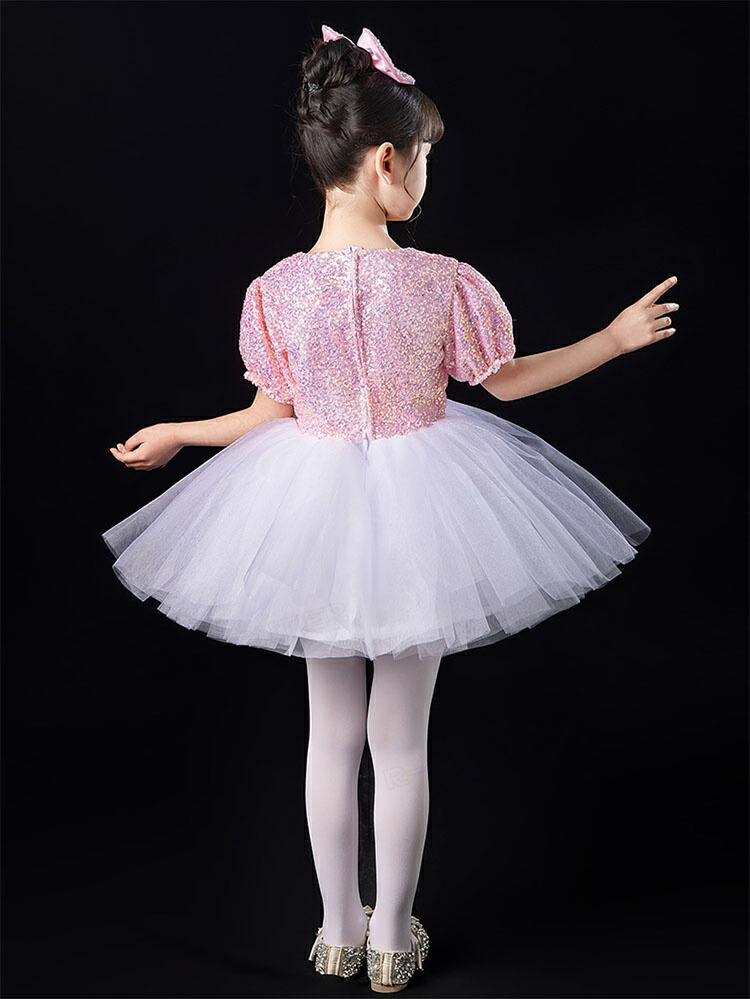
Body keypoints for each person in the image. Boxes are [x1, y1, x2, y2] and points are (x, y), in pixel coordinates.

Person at [102, 23, 678, 995]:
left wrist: (176, 433)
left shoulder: (276, 292)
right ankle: (392, 938)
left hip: (309, 514)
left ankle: (338, 929)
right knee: (400, 739)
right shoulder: (441, 282)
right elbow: (509, 379)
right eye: (424, 160)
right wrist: (613, 340)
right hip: (424, 514)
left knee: (329, 735)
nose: (426, 177)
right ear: (384, 162)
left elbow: (266, 416)